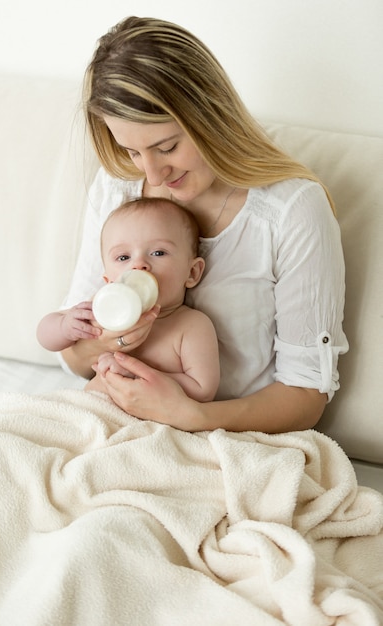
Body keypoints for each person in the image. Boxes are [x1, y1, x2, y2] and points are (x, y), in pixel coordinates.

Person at [59, 16, 348, 433]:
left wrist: (188, 415)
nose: (153, 176)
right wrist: (110, 340)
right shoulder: (118, 188)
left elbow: (306, 394)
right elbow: (72, 355)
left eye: (167, 147)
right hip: (113, 423)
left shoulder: (292, 212)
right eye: (134, 152)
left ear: (208, 113)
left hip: (224, 438)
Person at [37, 197, 220, 402]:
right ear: (108, 280)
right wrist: (64, 326)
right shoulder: (102, 310)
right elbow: (44, 336)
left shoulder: (192, 326)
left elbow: (202, 390)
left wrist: (133, 374)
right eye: (123, 257)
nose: (139, 264)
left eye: (158, 252)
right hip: (93, 410)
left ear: (192, 272)